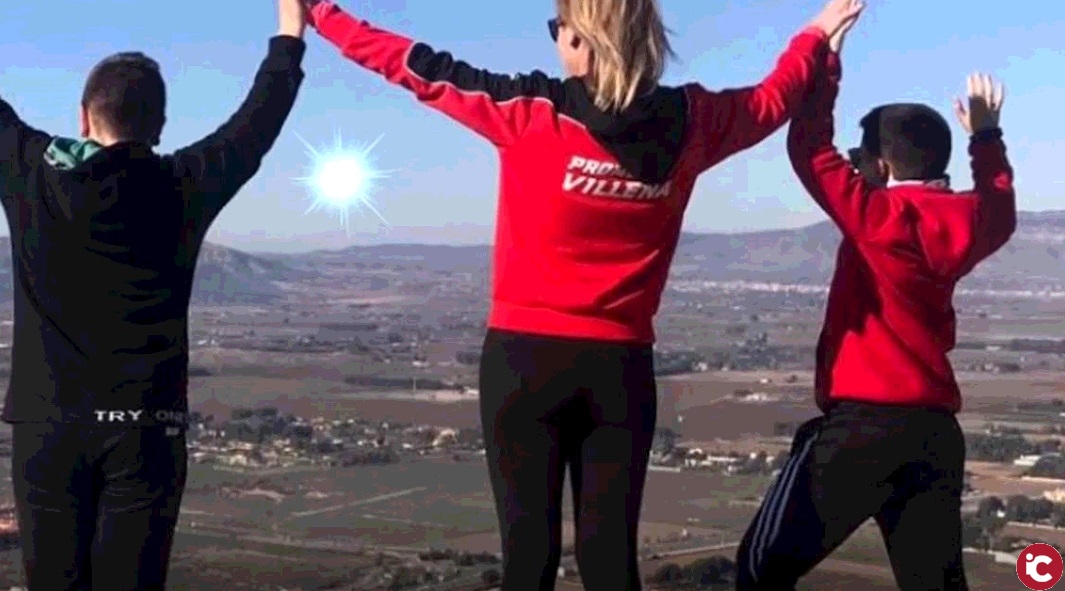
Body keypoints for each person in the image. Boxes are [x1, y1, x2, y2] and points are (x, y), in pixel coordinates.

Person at [300, 0, 861, 588]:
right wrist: (817, 33)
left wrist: (321, 13)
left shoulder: (528, 110)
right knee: (610, 562)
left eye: (558, 27)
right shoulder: (696, 121)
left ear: (581, 42)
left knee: (528, 560)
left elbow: (413, 65)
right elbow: (774, 98)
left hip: (523, 362)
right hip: (620, 371)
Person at [0, 1, 308, 589]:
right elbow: (257, 122)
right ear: (160, 126)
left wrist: (290, 38)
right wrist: (290, 34)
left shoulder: (31, 172)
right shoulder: (186, 185)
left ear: (84, 118)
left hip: (47, 427)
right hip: (146, 431)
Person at [734, 20, 1015, 591]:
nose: (853, 164)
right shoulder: (971, 220)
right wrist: (986, 136)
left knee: (759, 570)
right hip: (934, 435)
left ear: (882, 168)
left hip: (862, 428)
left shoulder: (879, 216)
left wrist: (826, 62)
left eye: (859, 157)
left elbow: (808, 147)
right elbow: (1000, 205)